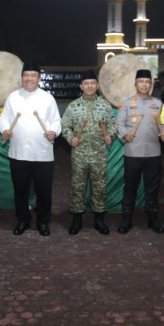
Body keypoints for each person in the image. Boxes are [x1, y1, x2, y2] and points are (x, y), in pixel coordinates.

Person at [0, 61, 61, 236]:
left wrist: (53, 132)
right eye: (26, 75)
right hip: (18, 153)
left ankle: (43, 222)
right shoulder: (13, 97)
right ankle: (23, 220)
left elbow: (56, 121)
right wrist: (5, 129)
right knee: (20, 190)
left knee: (44, 191)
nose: (29, 78)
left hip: (43, 154)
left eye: (33, 75)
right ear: (22, 78)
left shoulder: (48, 98)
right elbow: (4, 118)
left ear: (39, 79)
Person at [61, 70, 116, 235]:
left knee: (100, 187)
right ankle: (76, 219)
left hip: (99, 155)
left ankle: (99, 220)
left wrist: (110, 136)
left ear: (97, 85)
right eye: (86, 83)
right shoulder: (73, 106)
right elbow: (64, 127)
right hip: (79, 155)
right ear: (81, 86)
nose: (90, 86)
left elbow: (113, 126)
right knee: (78, 187)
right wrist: (71, 138)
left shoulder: (105, 106)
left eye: (93, 83)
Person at [116, 69, 164, 234]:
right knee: (130, 188)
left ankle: (153, 219)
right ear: (135, 84)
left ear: (151, 84)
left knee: (152, 189)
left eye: (147, 82)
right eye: (141, 81)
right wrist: (125, 134)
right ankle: (126, 220)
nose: (144, 85)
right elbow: (119, 124)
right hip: (132, 153)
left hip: (153, 154)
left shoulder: (158, 104)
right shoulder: (126, 104)